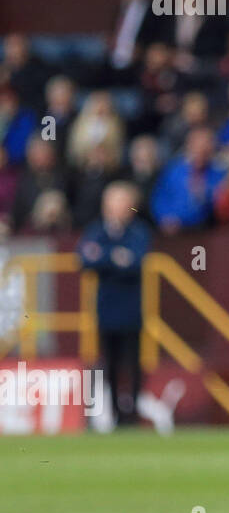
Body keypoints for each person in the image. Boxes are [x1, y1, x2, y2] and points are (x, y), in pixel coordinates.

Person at [78, 182, 151, 427]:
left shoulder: (138, 231)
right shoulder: (96, 230)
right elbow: (85, 259)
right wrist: (115, 258)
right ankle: (113, 412)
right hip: (106, 308)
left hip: (131, 309)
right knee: (108, 361)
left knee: (132, 363)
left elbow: (135, 261)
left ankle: (132, 412)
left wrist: (105, 258)